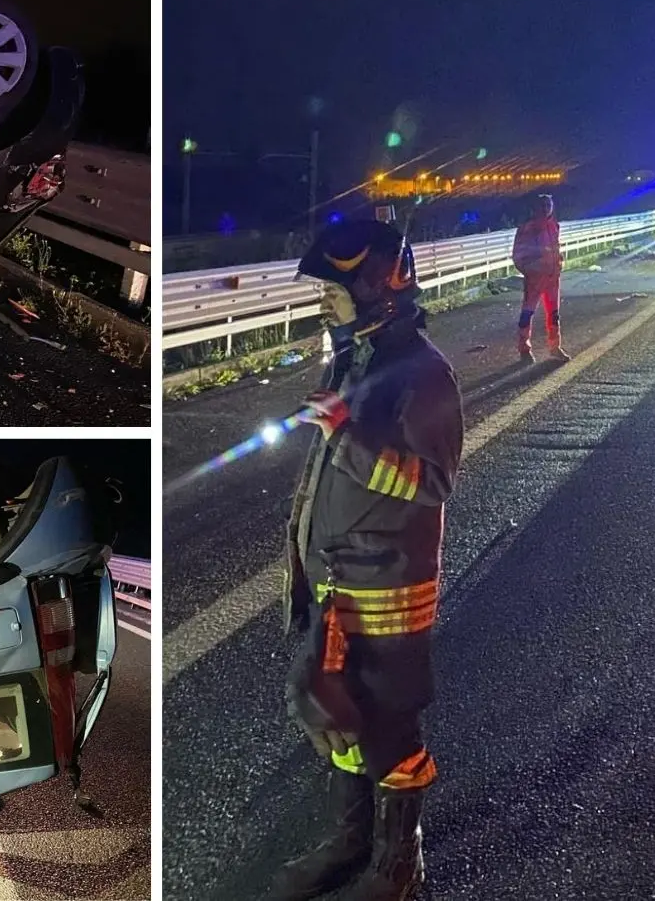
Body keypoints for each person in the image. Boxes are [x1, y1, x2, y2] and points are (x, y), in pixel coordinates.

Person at [274, 219, 466, 901]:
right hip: (338, 579)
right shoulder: (355, 358)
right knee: (335, 712)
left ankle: (399, 869)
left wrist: (345, 435)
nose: (325, 302)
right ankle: (352, 842)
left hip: (387, 587)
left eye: (335, 290)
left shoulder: (424, 373)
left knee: (389, 726)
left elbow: (433, 482)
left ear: (379, 284)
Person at [513, 193, 568, 362]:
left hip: (552, 278)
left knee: (554, 314)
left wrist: (559, 263)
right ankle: (524, 348)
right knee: (527, 314)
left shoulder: (554, 226)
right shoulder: (527, 228)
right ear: (536, 208)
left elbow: (554, 249)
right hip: (535, 279)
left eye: (548, 205)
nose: (546, 209)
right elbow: (518, 254)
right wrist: (529, 270)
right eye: (543, 206)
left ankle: (555, 347)